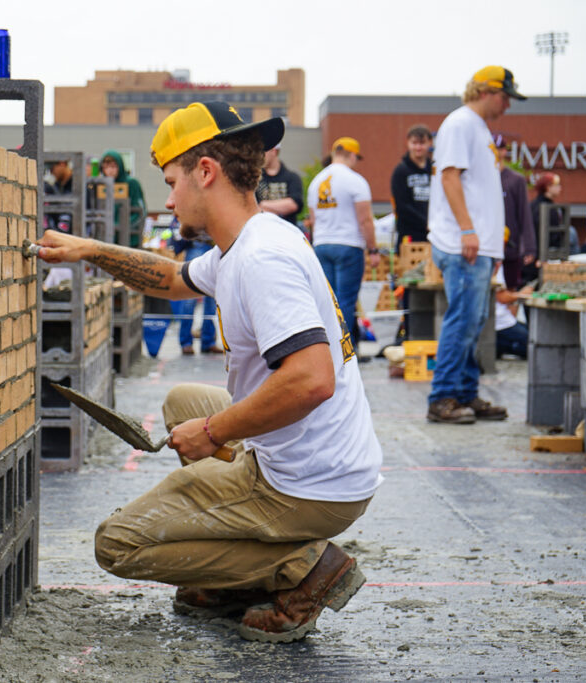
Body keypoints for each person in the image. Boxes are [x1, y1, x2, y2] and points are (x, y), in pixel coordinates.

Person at [34, 101, 382, 643]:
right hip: (323, 453)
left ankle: (301, 568)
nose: (168, 199)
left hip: (310, 482)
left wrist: (214, 433)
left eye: (172, 182)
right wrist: (89, 250)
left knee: (119, 544)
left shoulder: (261, 260)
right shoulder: (250, 239)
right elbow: (173, 278)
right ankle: (233, 574)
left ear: (206, 171)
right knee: (182, 402)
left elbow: (313, 379)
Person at [425, 66, 525, 424]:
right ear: (486, 91)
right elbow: (449, 175)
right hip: (462, 243)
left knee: (474, 321)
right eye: (505, 96)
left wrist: (489, 247)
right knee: (464, 321)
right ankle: (443, 397)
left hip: (475, 245)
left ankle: (464, 392)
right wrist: (468, 230)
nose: (509, 104)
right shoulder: (461, 123)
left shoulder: (475, 127)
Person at [307, 137, 380, 350]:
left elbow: (313, 220)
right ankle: (345, 348)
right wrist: (373, 249)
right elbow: (365, 220)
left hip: (322, 244)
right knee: (346, 300)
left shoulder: (316, 183)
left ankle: (328, 347)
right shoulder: (355, 181)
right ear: (352, 154)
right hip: (348, 245)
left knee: (329, 301)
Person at [168, 220, 222, 355]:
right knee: (189, 297)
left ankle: (208, 341)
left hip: (215, 244)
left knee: (212, 297)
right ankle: (187, 342)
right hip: (197, 243)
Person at [495, 136, 535, 289]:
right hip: (487, 246)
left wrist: (529, 247)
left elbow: (524, 214)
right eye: (494, 148)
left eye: (500, 149)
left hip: (510, 247)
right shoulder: (481, 177)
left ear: (505, 151)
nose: (497, 153)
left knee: (511, 290)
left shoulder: (515, 179)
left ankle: (511, 314)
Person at [390, 124, 433, 252]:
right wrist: (425, 223)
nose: (418, 147)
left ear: (429, 143)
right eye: (414, 143)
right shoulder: (401, 171)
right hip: (410, 235)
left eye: (422, 143)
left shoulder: (435, 169)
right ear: (407, 143)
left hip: (434, 235)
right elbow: (402, 205)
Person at [100, 149, 146, 247]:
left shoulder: (132, 184)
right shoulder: (101, 186)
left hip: (129, 240)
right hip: (107, 240)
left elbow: (140, 211)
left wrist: (122, 226)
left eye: (113, 166)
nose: (109, 171)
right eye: (106, 167)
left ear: (120, 166)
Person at [255, 143, 303, 226]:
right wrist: (282, 206)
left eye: (263, 152)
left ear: (273, 151)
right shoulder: (256, 178)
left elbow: (294, 204)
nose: (260, 156)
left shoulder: (292, 177)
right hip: (263, 229)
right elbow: (252, 206)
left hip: (287, 231)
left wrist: (263, 204)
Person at [493, 263, 531, 359]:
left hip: (502, 320)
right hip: (500, 322)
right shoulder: (495, 261)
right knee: (536, 345)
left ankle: (499, 347)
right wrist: (522, 294)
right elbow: (501, 297)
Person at [43, 159, 74, 233]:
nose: (51, 172)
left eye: (52, 168)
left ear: (62, 163)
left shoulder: (79, 185)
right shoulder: (57, 186)